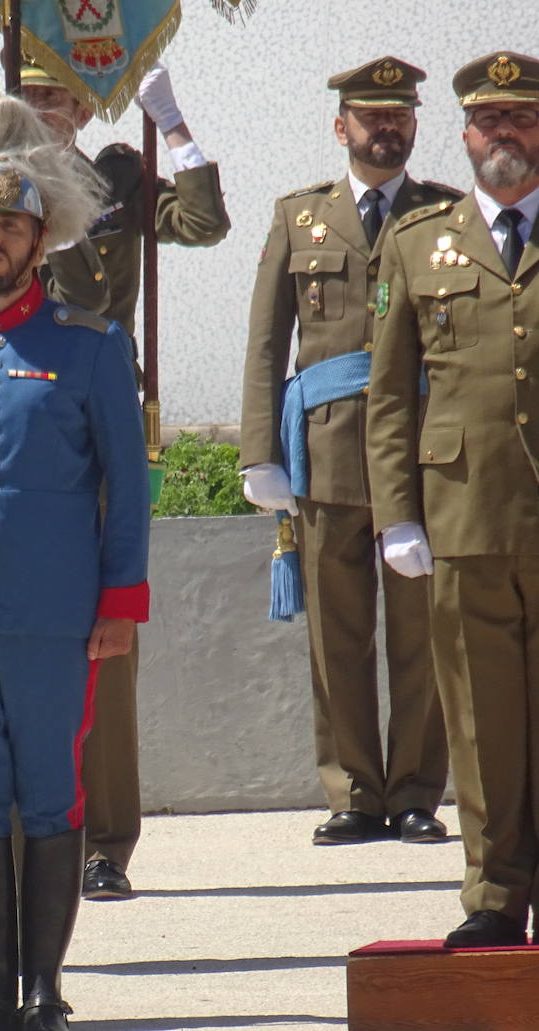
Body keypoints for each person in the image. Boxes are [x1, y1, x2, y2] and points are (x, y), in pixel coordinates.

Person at [0, 100, 150, 1031]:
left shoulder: (90, 346)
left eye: (7, 225)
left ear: (38, 240)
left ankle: (43, 984)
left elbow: (126, 488)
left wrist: (122, 600)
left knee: (51, 792)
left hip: (57, 616)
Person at [21, 60, 229, 900]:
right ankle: (22, 834)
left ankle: (105, 843)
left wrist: (173, 126)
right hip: (8, 407)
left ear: (83, 102)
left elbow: (205, 224)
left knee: (106, 636)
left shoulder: (114, 174)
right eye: (31, 95)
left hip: (96, 410)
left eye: (59, 95)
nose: (46, 109)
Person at [241, 57, 455, 848]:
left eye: (399, 116)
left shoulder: (447, 218)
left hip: (426, 455)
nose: (386, 129)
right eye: (371, 117)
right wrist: (259, 451)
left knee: (422, 633)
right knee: (337, 634)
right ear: (343, 128)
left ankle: (416, 793)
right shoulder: (300, 220)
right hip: (326, 455)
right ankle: (354, 792)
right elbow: (267, 344)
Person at [366, 50, 539, 948]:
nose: (503, 134)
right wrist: (397, 511)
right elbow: (390, 394)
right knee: (477, 719)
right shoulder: (416, 242)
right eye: (489, 121)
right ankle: (494, 893)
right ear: (465, 135)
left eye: (521, 118)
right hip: (462, 516)